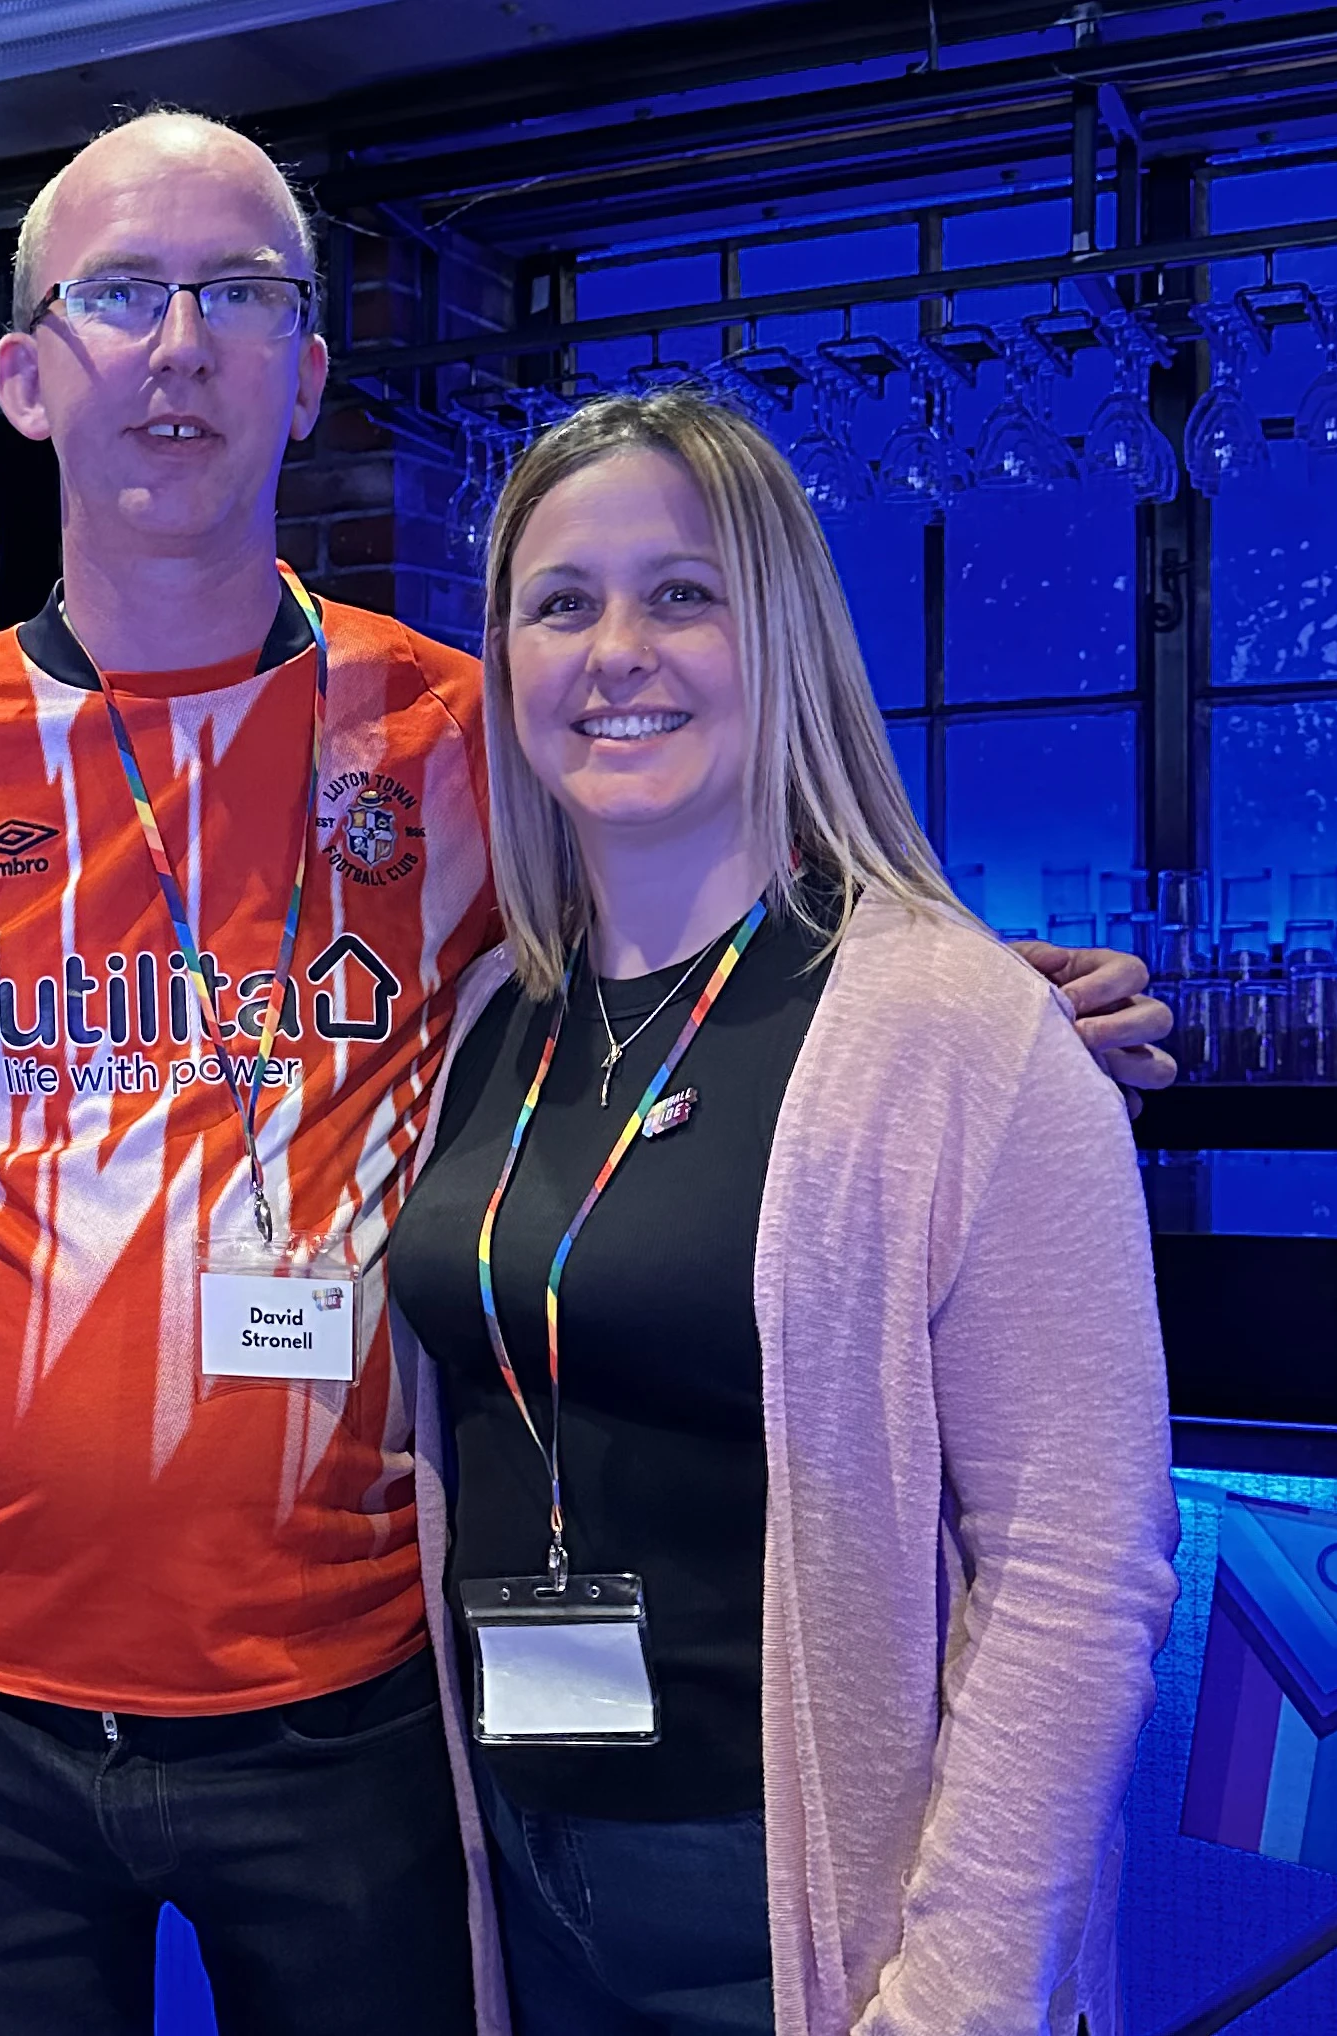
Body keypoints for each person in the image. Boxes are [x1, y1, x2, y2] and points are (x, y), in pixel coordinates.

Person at [0, 112, 1172, 2036]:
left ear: (309, 371)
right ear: (22, 376)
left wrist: (977, 996)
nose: (180, 346)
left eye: (241, 296)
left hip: (362, 1699)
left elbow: (711, 901)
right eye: (123, 295)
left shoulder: (451, 732)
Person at [387, 390, 1180, 2036]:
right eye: (561, 602)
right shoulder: (490, 1022)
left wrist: (957, 1997)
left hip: (815, 1917)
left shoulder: (961, 1031)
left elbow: (1077, 1578)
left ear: (789, 637)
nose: (618, 650)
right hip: (523, 1873)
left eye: (685, 593)